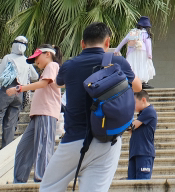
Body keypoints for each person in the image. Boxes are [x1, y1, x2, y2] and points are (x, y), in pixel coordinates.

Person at [39, 22, 142, 192]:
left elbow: (58, 83)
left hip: (74, 140)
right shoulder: (118, 62)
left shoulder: (69, 65)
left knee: (49, 187)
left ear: (82, 43)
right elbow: (137, 86)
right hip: (107, 140)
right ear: (107, 42)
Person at [9, 45, 62, 183]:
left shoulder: (52, 65)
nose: (35, 61)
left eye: (37, 57)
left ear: (47, 54)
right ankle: (19, 180)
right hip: (38, 113)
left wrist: (19, 88)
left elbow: (43, 84)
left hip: (46, 112)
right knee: (24, 147)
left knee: (43, 147)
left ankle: (43, 179)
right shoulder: (47, 69)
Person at [0, 36, 38, 153]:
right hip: (19, 94)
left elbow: (0, 75)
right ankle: (5, 152)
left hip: (6, 91)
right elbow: (35, 76)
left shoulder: (8, 57)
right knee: (11, 123)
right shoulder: (26, 60)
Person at [127, 90, 157, 180]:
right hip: (136, 152)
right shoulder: (142, 114)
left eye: (135, 102)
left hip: (144, 152)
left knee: (142, 182)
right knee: (131, 183)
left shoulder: (149, 111)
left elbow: (130, 127)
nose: (133, 106)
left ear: (143, 100)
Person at [115, 17, 155, 87]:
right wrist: (149, 55)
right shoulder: (145, 34)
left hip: (132, 53)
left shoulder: (132, 32)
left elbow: (124, 41)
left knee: (133, 66)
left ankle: (132, 81)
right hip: (142, 53)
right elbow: (148, 45)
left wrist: (117, 49)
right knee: (142, 66)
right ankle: (142, 82)